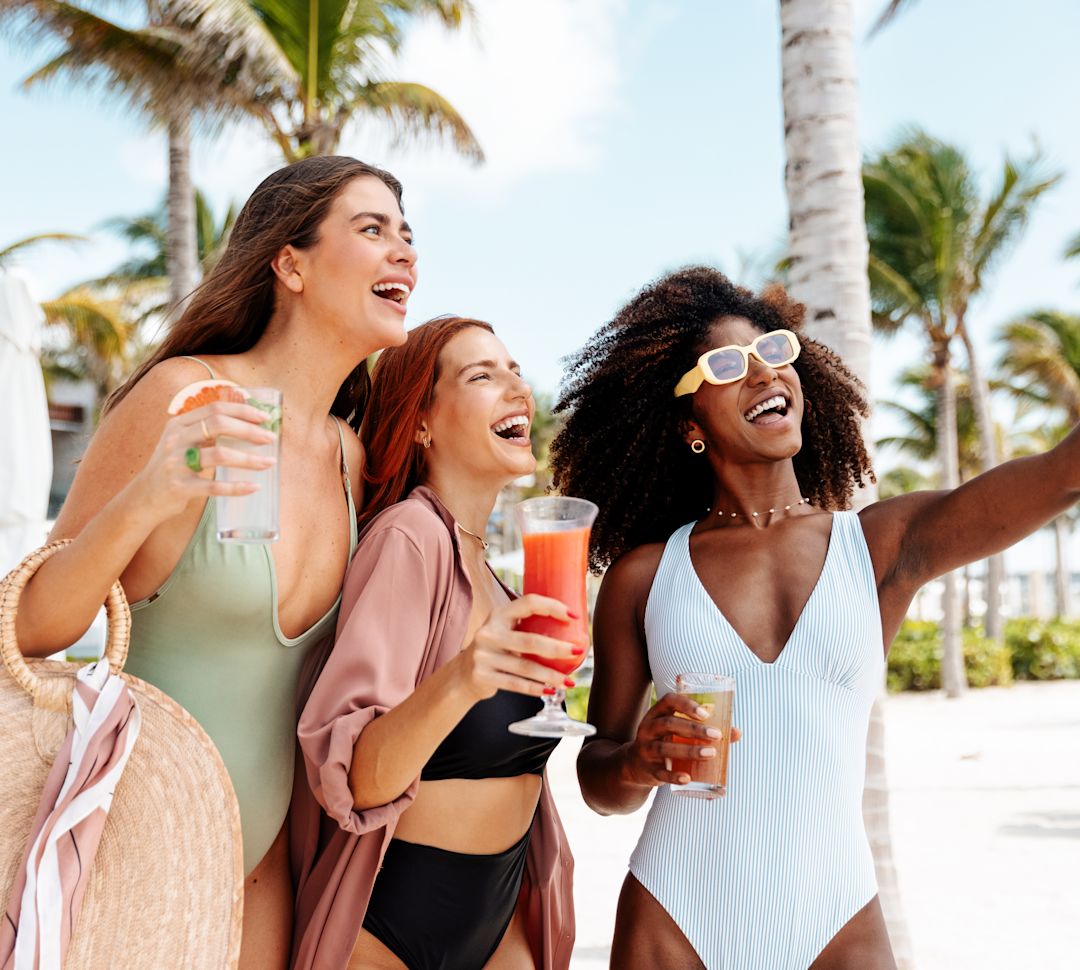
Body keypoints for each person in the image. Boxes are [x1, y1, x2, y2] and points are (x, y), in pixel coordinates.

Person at [547, 266, 1080, 970]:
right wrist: (640, 761)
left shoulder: (882, 546)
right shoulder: (646, 577)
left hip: (838, 916)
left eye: (775, 352)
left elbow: (1063, 472)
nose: (765, 373)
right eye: (729, 364)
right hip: (676, 915)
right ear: (689, 424)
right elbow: (598, 783)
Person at [13, 155, 417, 969]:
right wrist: (150, 495)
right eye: (372, 229)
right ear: (289, 263)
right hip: (128, 856)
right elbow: (32, 630)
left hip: (258, 869)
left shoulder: (350, 454)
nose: (404, 251)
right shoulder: (184, 396)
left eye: (408, 235)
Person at [290, 316, 576, 970]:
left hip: (502, 921)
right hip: (389, 930)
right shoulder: (409, 538)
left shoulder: (499, 586)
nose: (518, 389)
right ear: (421, 421)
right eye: (483, 375)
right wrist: (468, 676)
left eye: (515, 371)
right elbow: (359, 781)